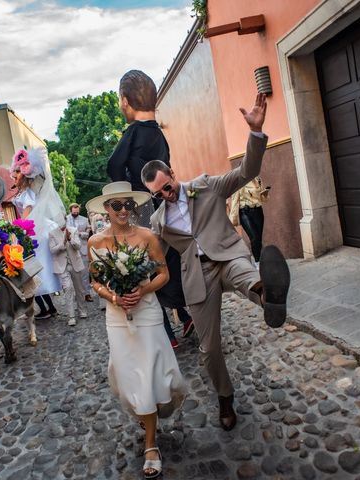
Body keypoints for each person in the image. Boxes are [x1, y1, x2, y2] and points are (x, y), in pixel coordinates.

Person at [141, 93, 291, 431]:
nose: (166, 195)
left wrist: (255, 132)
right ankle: (225, 397)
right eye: (158, 194)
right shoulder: (159, 222)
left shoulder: (206, 186)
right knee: (209, 351)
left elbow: (246, 171)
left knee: (245, 274)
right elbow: (153, 254)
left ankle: (269, 296)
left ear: (173, 174)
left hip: (227, 256)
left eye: (167, 187)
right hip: (198, 276)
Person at [86, 182, 185, 479]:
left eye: (129, 204)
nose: (125, 210)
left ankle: (151, 445)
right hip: (117, 319)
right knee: (129, 376)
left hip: (148, 314)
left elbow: (163, 273)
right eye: (117, 206)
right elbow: (95, 282)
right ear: (106, 209)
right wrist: (115, 297)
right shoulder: (95, 243)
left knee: (154, 374)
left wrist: (141, 292)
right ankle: (147, 415)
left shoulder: (147, 237)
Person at [107, 69, 194, 348]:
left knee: (148, 268)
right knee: (169, 261)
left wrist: (125, 200)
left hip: (143, 211)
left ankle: (167, 333)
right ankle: (185, 313)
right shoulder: (158, 134)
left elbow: (113, 166)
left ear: (125, 101)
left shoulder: (133, 133)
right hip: (164, 207)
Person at [10, 148, 66, 319]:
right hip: (33, 232)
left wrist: (15, 230)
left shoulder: (28, 194)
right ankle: (48, 308)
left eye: (17, 172)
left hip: (32, 234)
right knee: (34, 272)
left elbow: (26, 216)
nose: (15, 175)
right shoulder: (25, 192)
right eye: (14, 172)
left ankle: (46, 308)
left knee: (32, 273)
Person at [48, 221, 88, 326]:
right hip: (62, 266)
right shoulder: (52, 233)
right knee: (68, 289)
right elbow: (52, 250)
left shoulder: (73, 230)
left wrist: (70, 240)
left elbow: (78, 246)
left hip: (75, 263)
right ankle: (71, 316)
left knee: (79, 289)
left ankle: (82, 310)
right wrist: (63, 243)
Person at [229, 177, 270, 264]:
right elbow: (234, 201)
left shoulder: (257, 179)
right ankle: (257, 263)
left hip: (258, 211)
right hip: (244, 212)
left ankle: (261, 261)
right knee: (254, 238)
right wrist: (233, 218)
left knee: (258, 239)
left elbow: (263, 199)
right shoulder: (238, 181)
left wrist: (265, 193)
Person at [66, 203, 93, 302]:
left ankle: (87, 294)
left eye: (77, 212)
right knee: (74, 274)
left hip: (83, 248)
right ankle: (77, 294)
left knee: (85, 273)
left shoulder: (85, 220)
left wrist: (80, 233)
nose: (75, 214)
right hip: (71, 250)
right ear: (70, 210)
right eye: (74, 213)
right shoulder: (66, 219)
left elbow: (88, 233)